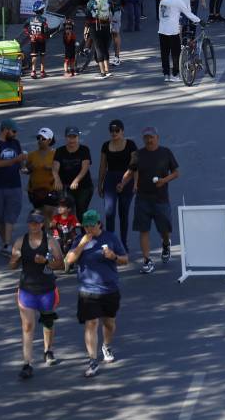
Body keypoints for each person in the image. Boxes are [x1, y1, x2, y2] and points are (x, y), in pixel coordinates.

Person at [64, 209, 129, 378]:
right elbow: (69, 261)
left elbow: (125, 259)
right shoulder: (80, 240)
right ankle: (92, 360)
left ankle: (106, 346)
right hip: (88, 290)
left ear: (99, 224)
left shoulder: (111, 238)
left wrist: (113, 256)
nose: (89, 229)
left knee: (109, 323)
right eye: (86, 226)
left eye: (92, 226)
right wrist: (81, 244)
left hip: (109, 289)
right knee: (91, 324)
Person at [10, 212, 65, 379]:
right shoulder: (20, 241)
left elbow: (61, 264)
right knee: (27, 326)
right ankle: (27, 363)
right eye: (31, 223)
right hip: (27, 289)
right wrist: (14, 259)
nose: (33, 226)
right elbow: (11, 266)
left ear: (42, 224)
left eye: (37, 223)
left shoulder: (50, 241)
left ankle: (48, 350)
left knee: (48, 321)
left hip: (46, 289)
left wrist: (46, 262)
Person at [126, 126, 179, 274]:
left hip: (161, 199)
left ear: (157, 138)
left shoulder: (165, 152)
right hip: (142, 198)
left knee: (164, 229)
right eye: (146, 137)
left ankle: (166, 244)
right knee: (143, 230)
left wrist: (164, 180)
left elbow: (176, 173)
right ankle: (147, 260)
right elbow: (132, 171)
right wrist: (123, 184)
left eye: (151, 137)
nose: (149, 140)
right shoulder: (137, 154)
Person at [0, 119, 26, 255]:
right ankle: (5, 243)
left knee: (10, 216)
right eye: (13, 131)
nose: (15, 134)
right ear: (5, 130)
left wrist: (24, 166)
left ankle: (7, 244)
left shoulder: (15, 143)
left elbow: (20, 164)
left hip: (14, 185)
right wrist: (16, 159)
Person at [98, 120, 136, 250]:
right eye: (111, 131)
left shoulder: (130, 144)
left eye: (117, 130)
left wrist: (128, 183)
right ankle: (111, 244)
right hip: (110, 179)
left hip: (127, 179)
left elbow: (134, 165)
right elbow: (103, 166)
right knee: (109, 213)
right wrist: (100, 184)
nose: (114, 133)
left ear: (122, 131)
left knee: (123, 213)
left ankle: (123, 244)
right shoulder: (105, 146)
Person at [57, 127, 94, 219]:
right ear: (65, 137)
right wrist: (57, 179)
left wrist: (76, 181)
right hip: (67, 187)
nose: (72, 139)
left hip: (84, 187)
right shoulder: (60, 151)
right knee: (68, 212)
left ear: (78, 137)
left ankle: (83, 228)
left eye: (74, 137)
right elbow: (55, 167)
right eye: (69, 137)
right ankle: (71, 228)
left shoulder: (84, 150)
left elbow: (85, 167)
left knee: (81, 212)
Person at [24, 127, 60, 218]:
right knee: (40, 215)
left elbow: (62, 169)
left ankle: (51, 226)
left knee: (49, 212)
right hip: (35, 191)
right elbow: (25, 170)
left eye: (43, 138)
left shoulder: (56, 154)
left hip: (51, 189)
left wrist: (50, 168)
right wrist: (29, 168)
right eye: (38, 138)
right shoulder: (32, 155)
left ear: (49, 140)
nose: (40, 140)